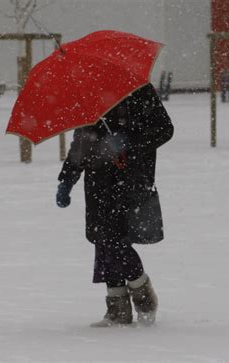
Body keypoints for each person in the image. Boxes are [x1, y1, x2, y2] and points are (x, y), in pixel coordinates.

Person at [55, 83, 174, 327]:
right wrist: (68, 178)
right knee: (103, 239)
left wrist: (129, 142)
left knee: (114, 239)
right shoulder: (89, 94)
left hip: (131, 179)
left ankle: (142, 292)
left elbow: (164, 129)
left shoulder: (140, 90)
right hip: (98, 182)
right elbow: (82, 141)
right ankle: (118, 308)